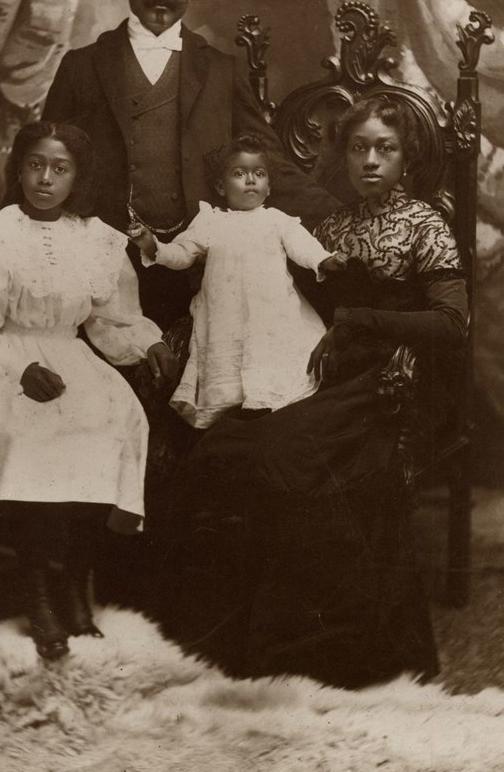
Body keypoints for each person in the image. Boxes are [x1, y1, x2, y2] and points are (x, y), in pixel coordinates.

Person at [156, 96, 468, 689]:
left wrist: (365, 322)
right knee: (229, 448)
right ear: (343, 157)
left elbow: (453, 326)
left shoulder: (426, 225)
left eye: (386, 148)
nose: (370, 161)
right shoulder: (330, 228)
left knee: (287, 456)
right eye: (359, 148)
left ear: (409, 157)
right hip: (321, 373)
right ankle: (219, 645)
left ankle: (327, 653)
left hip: (394, 382)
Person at [0, 121, 176, 661]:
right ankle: (38, 592)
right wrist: (17, 367)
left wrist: (147, 342)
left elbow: (113, 319)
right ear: (18, 167)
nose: (45, 178)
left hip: (71, 357)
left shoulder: (98, 239)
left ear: (76, 177)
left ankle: (75, 582)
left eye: (60, 168)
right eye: (36, 164)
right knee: (33, 437)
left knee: (111, 427)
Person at [41, 0, 338, 331]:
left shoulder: (220, 69)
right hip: (104, 263)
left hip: (200, 264)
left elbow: (271, 163)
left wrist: (343, 217)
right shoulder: (82, 65)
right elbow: (42, 161)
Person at [129, 133, 345, 428]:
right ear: (221, 186)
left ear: (268, 187)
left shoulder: (276, 220)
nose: (251, 180)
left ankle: (270, 410)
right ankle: (237, 419)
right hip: (225, 316)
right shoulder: (210, 221)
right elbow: (183, 253)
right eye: (239, 174)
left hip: (272, 312)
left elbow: (301, 245)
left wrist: (323, 259)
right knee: (229, 378)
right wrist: (154, 247)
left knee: (274, 374)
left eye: (259, 174)